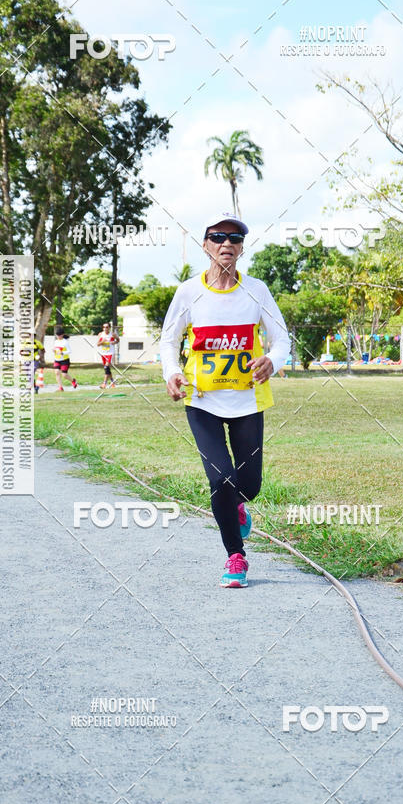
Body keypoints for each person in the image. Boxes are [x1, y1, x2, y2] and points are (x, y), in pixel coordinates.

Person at [160, 214, 290, 588]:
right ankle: (236, 557)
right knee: (220, 479)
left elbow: (281, 340)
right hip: (202, 401)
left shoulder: (256, 290)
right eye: (218, 237)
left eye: (235, 238)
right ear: (206, 246)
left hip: (247, 400)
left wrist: (273, 360)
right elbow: (169, 341)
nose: (226, 244)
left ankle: (238, 505)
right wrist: (171, 373)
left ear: (242, 248)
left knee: (248, 485)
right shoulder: (189, 292)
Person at [52, 326, 77, 391]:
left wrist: (63, 353)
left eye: (59, 335)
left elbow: (69, 351)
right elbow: (55, 349)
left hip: (64, 360)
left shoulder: (65, 342)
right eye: (57, 335)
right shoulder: (56, 341)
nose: (58, 336)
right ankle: (60, 387)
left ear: (62, 335)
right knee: (57, 372)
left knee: (64, 375)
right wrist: (54, 350)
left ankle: (73, 380)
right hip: (57, 359)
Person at [96, 322, 118, 388]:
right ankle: (112, 382)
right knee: (107, 368)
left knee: (106, 367)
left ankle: (104, 384)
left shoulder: (112, 334)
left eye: (106, 327)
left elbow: (118, 340)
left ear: (109, 328)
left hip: (110, 353)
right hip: (103, 353)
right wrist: (102, 341)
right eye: (104, 327)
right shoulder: (100, 334)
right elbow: (98, 344)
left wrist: (114, 342)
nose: (105, 328)